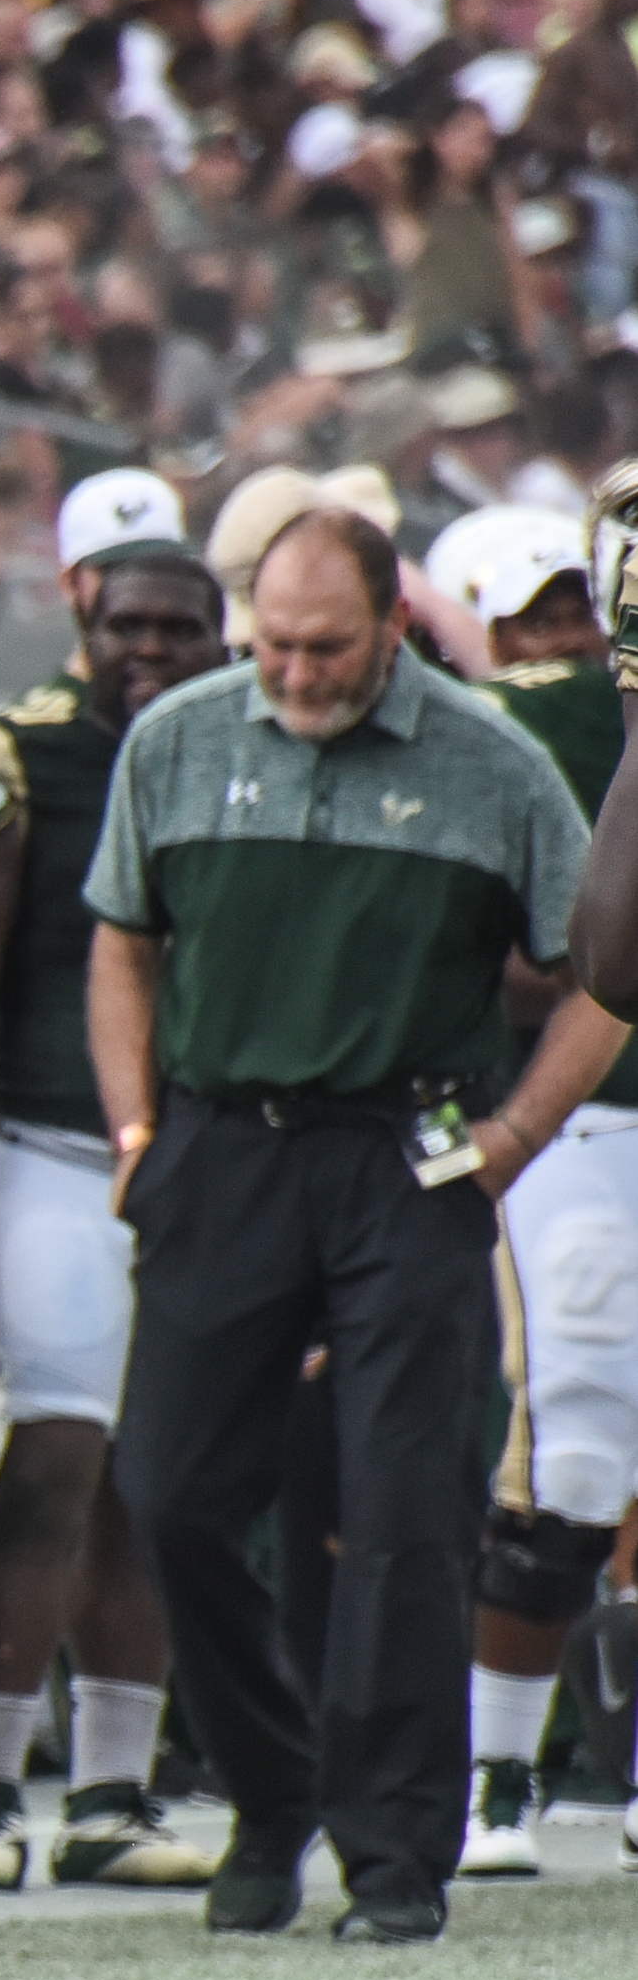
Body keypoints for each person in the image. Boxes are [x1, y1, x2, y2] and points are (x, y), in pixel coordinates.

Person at [98, 507, 614, 1945]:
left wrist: (513, 1138)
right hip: (221, 1140)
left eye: (327, 646)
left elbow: (609, 964)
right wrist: (133, 1128)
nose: (298, 673)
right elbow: (122, 939)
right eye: (272, 643)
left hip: (407, 1147)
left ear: (394, 624)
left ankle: (395, 1852)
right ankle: (268, 1792)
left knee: (405, 1505)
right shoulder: (179, 740)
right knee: (171, 1487)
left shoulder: (488, 759)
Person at [0, 544, 229, 1896]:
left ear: (219, 638)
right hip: (41, 1142)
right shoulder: (8, 756)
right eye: (128, 622)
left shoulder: (240, 744)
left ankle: (110, 1790)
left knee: (151, 1485)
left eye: (179, 628)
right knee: (43, 1471)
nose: (149, 647)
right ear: (83, 620)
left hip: (199, 1160)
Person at [440, 514, 638, 1874]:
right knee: (568, 1453)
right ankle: (496, 1770)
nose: (560, 636)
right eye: (532, 615)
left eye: (577, 608)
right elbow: (582, 952)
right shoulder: (525, 721)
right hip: (589, 1116)